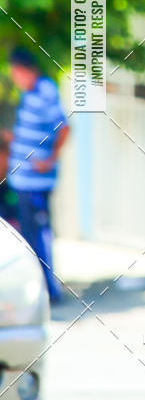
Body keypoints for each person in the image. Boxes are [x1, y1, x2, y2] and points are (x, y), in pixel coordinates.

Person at [1, 46, 69, 302]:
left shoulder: (44, 91)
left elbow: (64, 127)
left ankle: (49, 291)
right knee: (28, 236)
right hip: (22, 180)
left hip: (36, 182)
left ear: (23, 70)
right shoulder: (29, 95)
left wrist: (50, 159)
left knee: (38, 236)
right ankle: (38, 289)